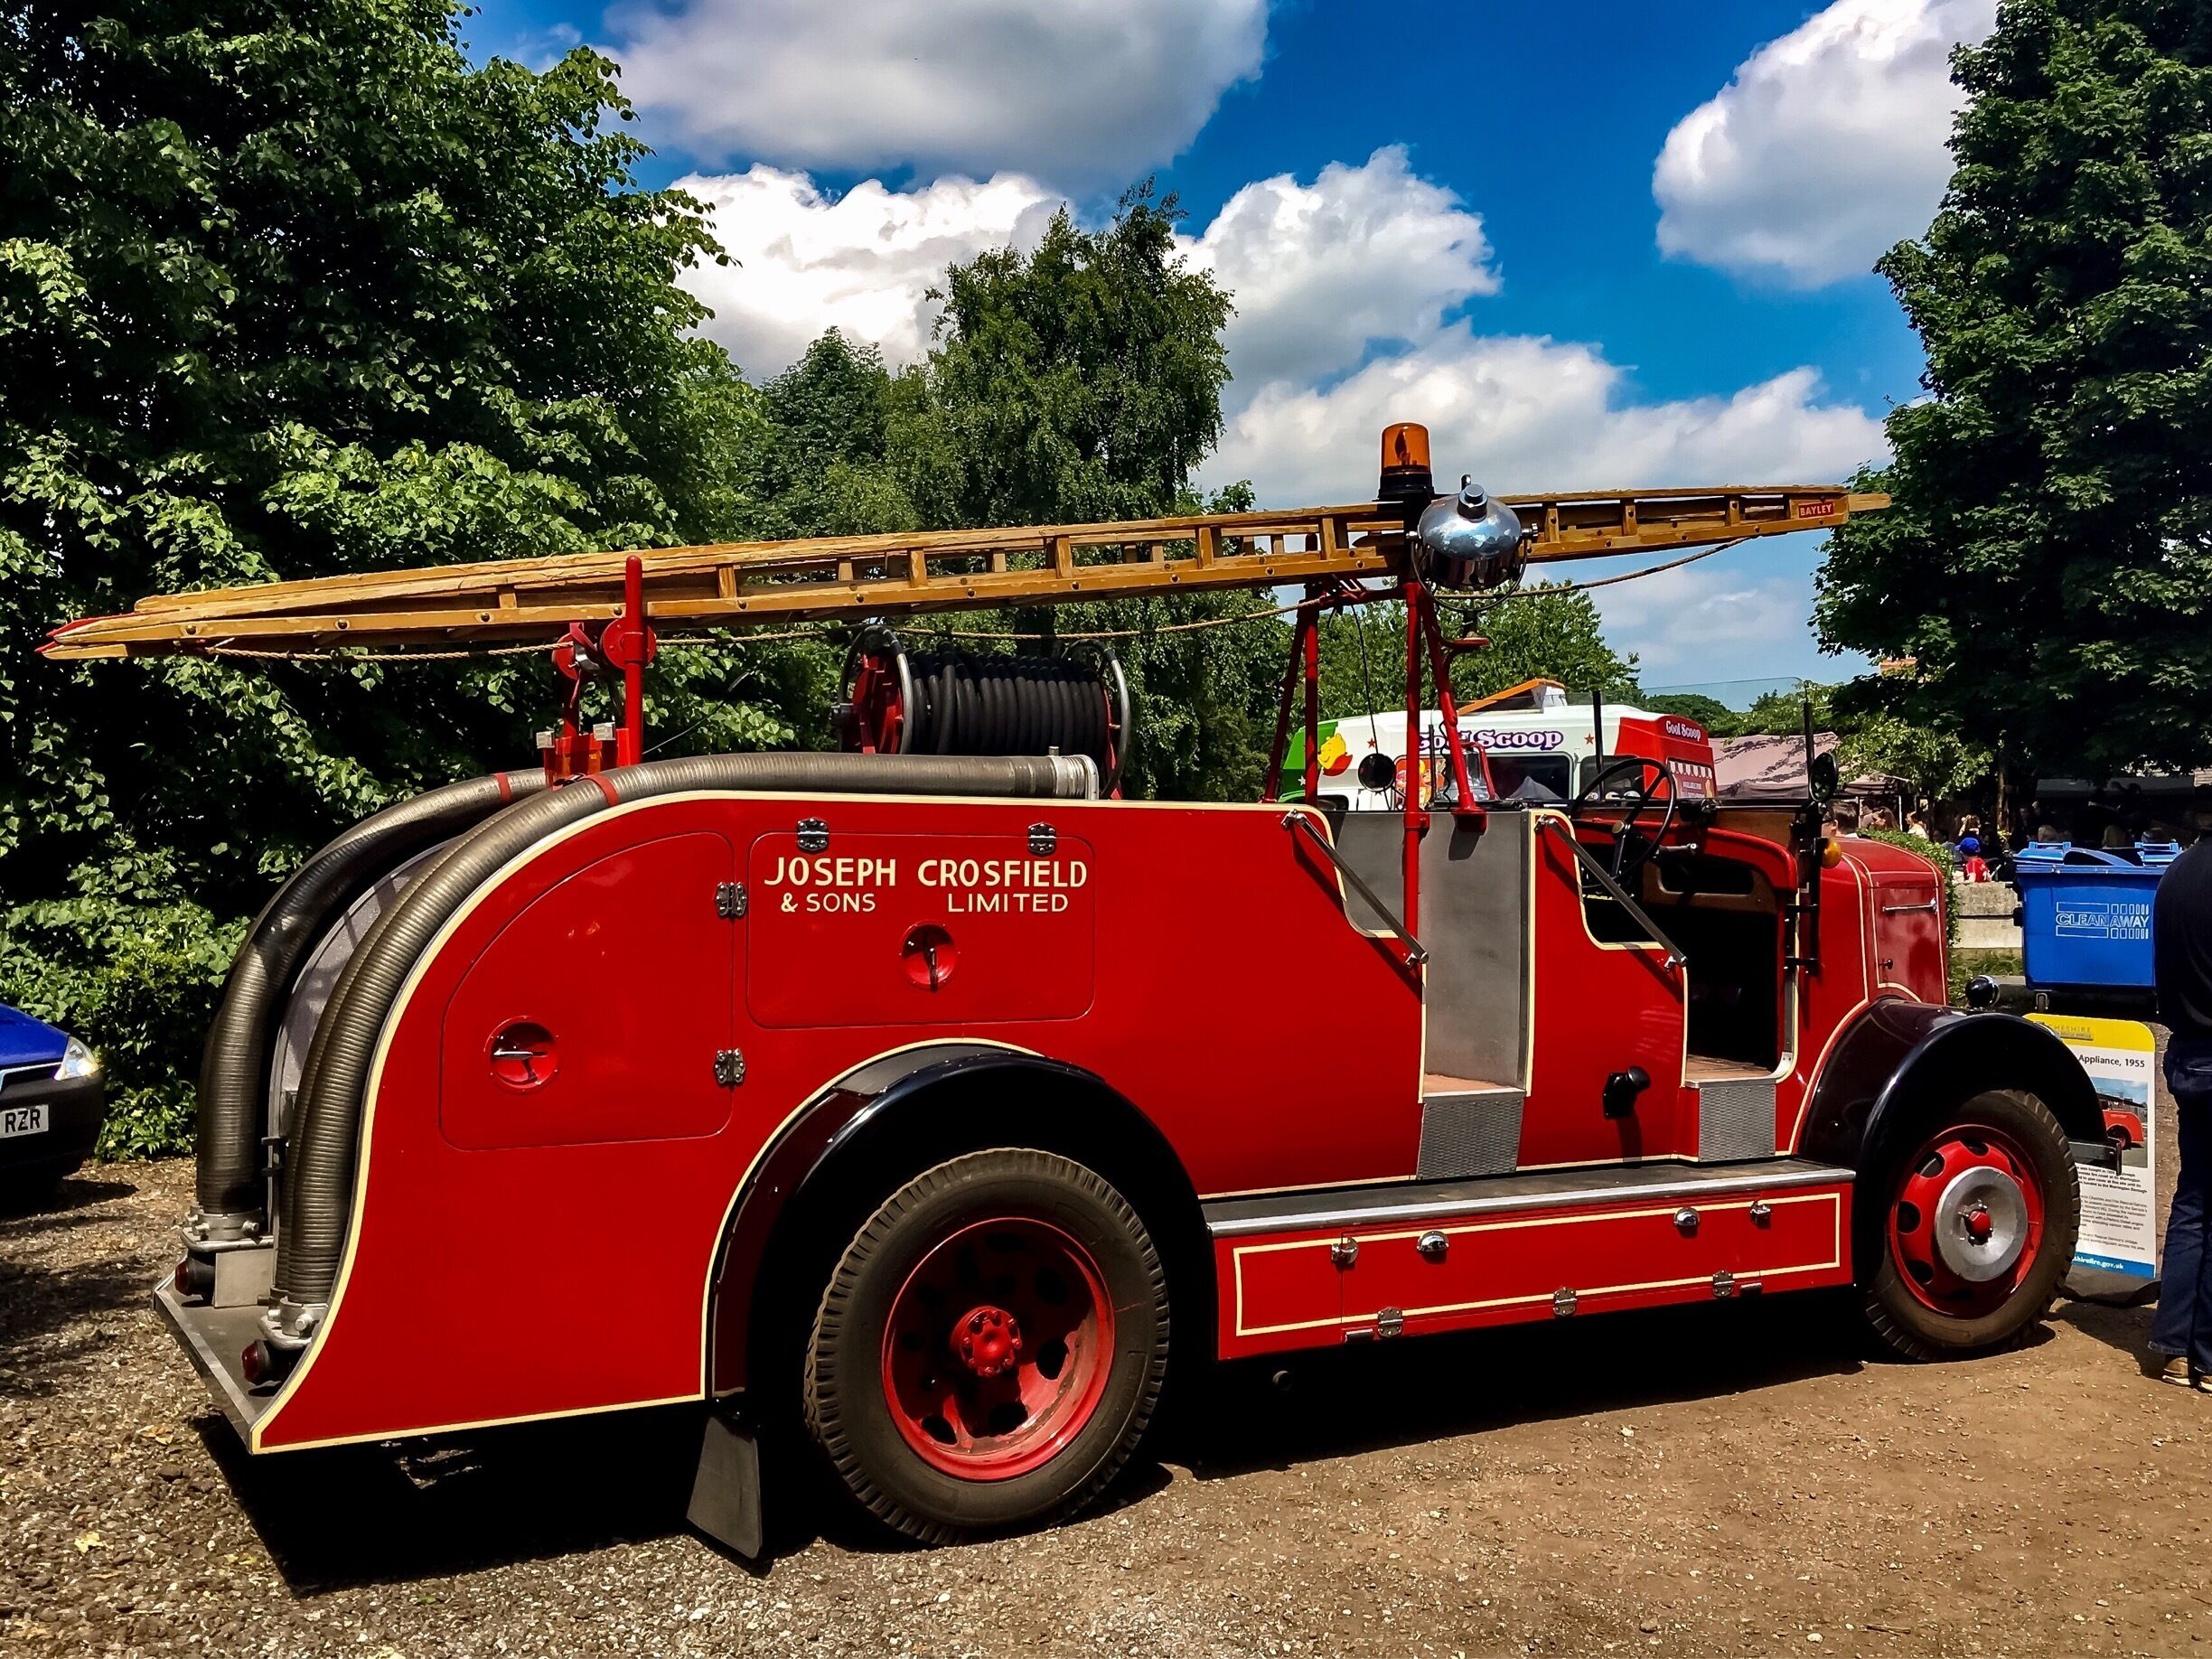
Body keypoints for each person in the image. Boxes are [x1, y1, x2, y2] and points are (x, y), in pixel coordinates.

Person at [2148, 831, 2212, 1389]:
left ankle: (2172, 1342)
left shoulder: (2176, 873)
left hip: (2188, 1052)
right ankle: (2207, 1356)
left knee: (2194, 1199)